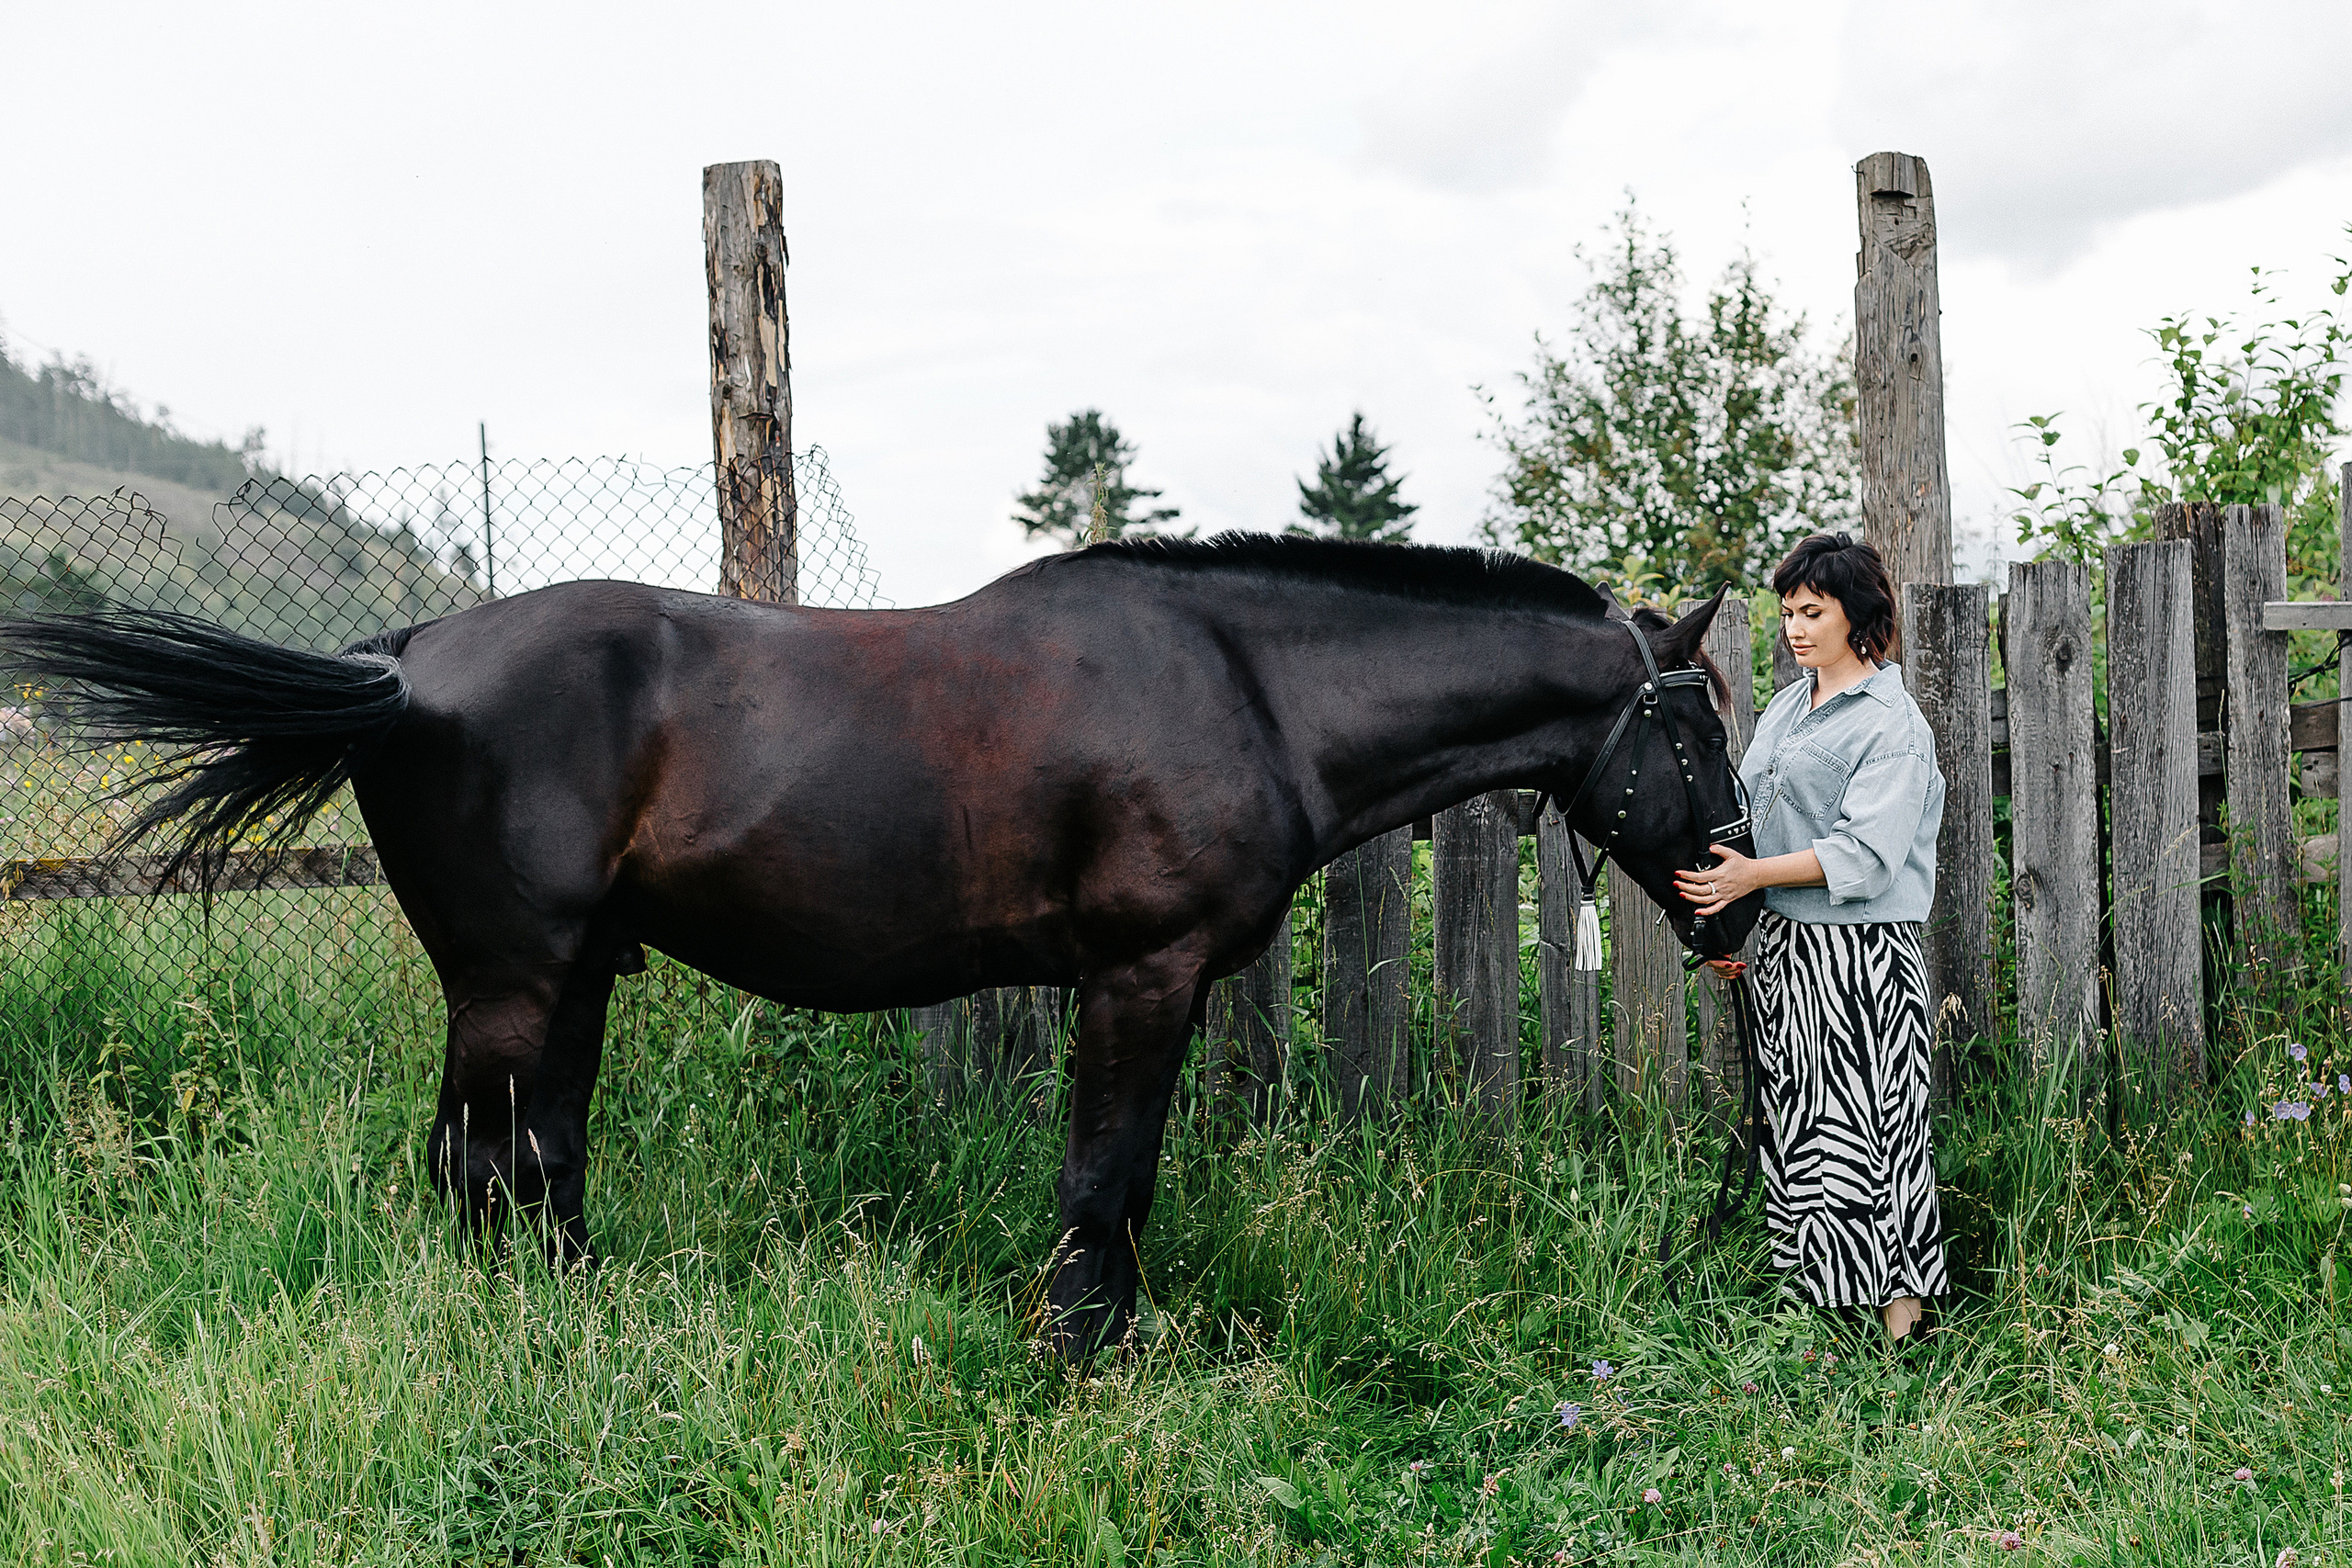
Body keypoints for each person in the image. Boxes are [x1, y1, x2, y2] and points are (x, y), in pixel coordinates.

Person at [1674, 533, 1948, 1342]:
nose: (1794, 627)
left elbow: (1865, 853)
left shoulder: (1894, 724)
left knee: (1874, 1128)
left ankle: (1905, 1321)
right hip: (1788, 950)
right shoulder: (1795, 704)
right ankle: (1825, 1311)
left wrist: (1753, 880)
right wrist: (1736, 918)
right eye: (1788, 611)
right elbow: (1754, 820)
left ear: (1856, 615)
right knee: (1800, 1126)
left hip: (1862, 956)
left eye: (1812, 611)